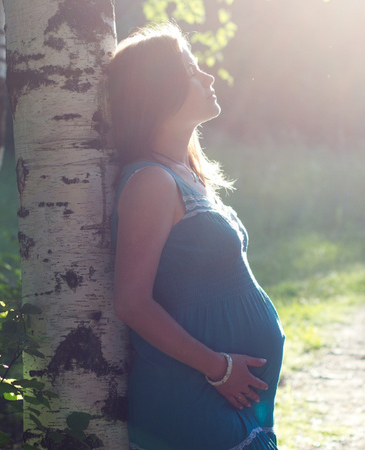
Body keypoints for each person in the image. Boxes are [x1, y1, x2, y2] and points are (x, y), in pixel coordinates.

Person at [107, 22, 285, 450]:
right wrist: (218, 367)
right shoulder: (151, 181)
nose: (207, 77)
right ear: (159, 89)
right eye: (191, 71)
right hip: (193, 396)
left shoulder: (185, 174)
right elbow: (131, 301)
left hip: (229, 399)